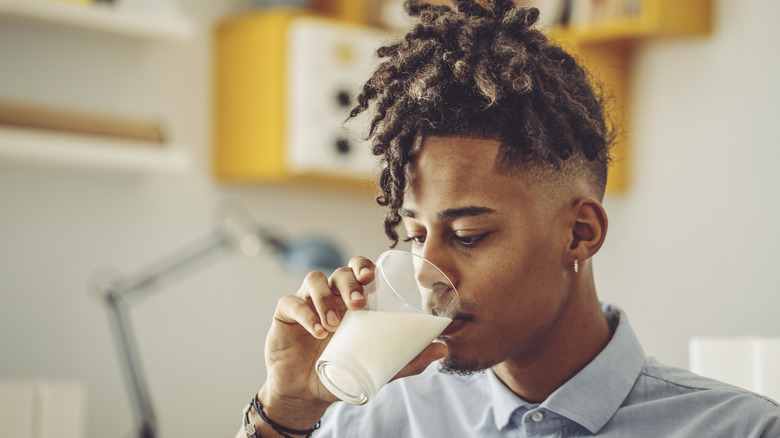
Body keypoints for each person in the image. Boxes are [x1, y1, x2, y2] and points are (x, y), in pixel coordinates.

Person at [237, 0, 780, 436]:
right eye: (415, 235)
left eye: (469, 236)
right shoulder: (375, 417)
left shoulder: (739, 428)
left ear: (580, 233)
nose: (428, 276)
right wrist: (283, 408)